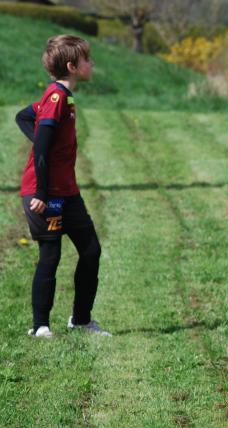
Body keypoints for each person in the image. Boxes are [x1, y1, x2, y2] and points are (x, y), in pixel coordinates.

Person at [15, 35, 110, 337]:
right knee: (51, 254)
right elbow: (41, 149)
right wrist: (41, 193)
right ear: (72, 66)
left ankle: (81, 320)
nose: (91, 63)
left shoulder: (61, 97)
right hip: (46, 195)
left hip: (68, 193)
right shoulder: (56, 99)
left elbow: (24, 116)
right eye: (87, 59)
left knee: (91, 250)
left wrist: (48, 143)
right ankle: (40, 326)